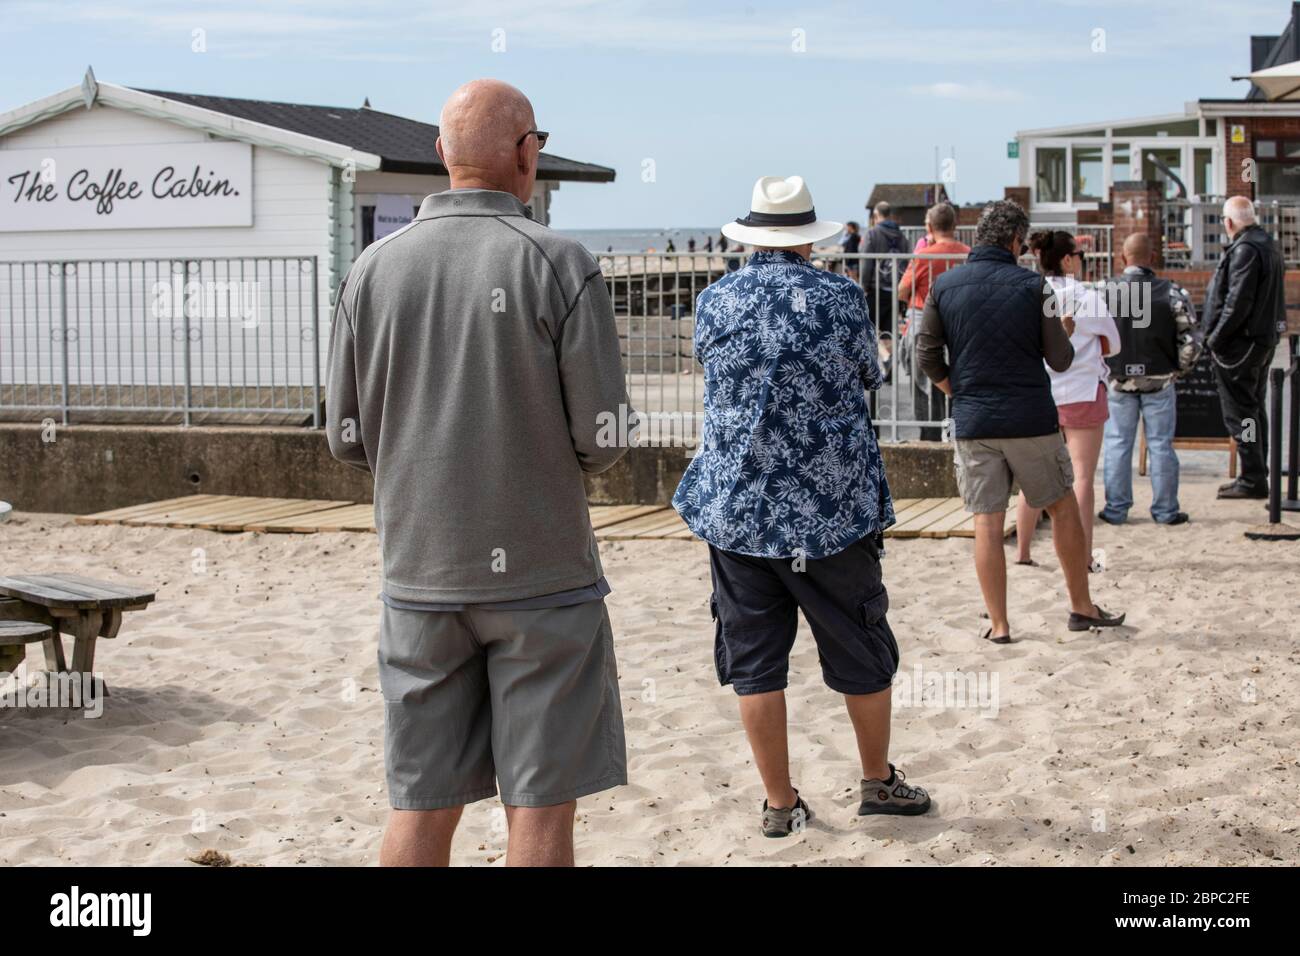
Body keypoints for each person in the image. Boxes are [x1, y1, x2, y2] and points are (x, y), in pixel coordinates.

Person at [326, 79, 634, 867]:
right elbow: (602, 438)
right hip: (542, 577)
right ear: (529, 154)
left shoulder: (371, 268)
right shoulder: (560, 263)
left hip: (420, 571)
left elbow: (347, 437)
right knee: (537, 811)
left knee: (424, 805)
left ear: (440, 155)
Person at [674, 175, 931, 837]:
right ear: (808, 238)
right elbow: (868, 377)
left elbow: (718, 375)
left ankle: (780, 804)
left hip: (738, 509)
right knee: (862, 648)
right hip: (831, 509)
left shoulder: (714, 299)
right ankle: (877, 781)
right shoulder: (841, 297)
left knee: (755, 663)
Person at [916, 200, 1125, 644]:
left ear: (978, 238)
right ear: (1015, 241)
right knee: (1062, 507)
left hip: (975, 422)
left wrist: (960, 393)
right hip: (1030, 418)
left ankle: (1000, 624)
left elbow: (926, 356)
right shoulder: (1035, 288)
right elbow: (1060, 360)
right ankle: (1081, 607)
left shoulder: (945, 286)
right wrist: (1065, 333)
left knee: (987, 523)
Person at [1014, 231, 1121, 568]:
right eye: (1080, 256)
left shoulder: (1029, 294)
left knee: (1033, 477)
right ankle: (1084, 554)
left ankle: (1023, 552)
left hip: (1039, 392)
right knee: (1083, 476)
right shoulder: (1087, 297)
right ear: (1067, 259)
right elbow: (1114, 343)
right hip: (1083, 390)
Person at [1098, 233, 1201, 526]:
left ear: (1122, 258)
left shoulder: (1104, 291)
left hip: (1118, 380)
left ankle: (1116, 510)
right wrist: (1178, 370)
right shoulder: (1172, 292)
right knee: (1160, 445)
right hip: (1159, 379)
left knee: (1117, 443)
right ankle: (1166, 511)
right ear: (1153, 258)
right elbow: (1191, 341)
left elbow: (1089, 336)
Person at [1203, 195, 1286, 499]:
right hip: (1261, 340)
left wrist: (1214, 339)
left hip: (1242, 345)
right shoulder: (1267, 244)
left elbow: (1237, 303)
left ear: (1228, 222)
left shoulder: (1246, 249)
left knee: (1242, 412)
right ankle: (1256, 473)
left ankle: (1252, 478)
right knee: (1253, 407)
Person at [898, 202, 968, 441]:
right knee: (954, 386)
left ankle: (929, 437)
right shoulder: (968, 254)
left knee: (924, 387)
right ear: (954, 225)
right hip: (960, 324)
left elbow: (902, 290)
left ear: (929, 226)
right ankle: (952, 437)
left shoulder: (923, 256)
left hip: (923, 323)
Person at [862, 201, 911, 333]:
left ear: (876, 215)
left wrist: (863, 285)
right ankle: (891, 354)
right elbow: (907, 263)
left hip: (877, 288)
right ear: (889, 215)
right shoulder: (902, 236)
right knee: (890, 331)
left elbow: (867, 263)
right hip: (897, 289)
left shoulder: (872, 234)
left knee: (868, 329)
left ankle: (880, 354)